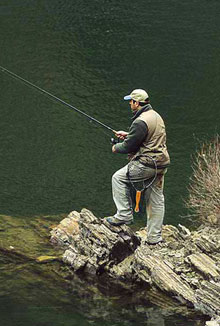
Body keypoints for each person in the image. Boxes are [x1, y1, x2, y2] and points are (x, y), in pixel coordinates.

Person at [106, 89, 170, 245]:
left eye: (131, 101)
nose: (129, 103)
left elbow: (128, 146)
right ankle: (154, 238)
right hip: (161, 163)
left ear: (137, 103)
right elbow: (146, 136)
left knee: (118, 178)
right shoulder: (155, 115)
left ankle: (123, 215)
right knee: (156, 199)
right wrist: (128, 134)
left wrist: (116, 147)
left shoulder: (140, 121)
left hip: (147, 164)